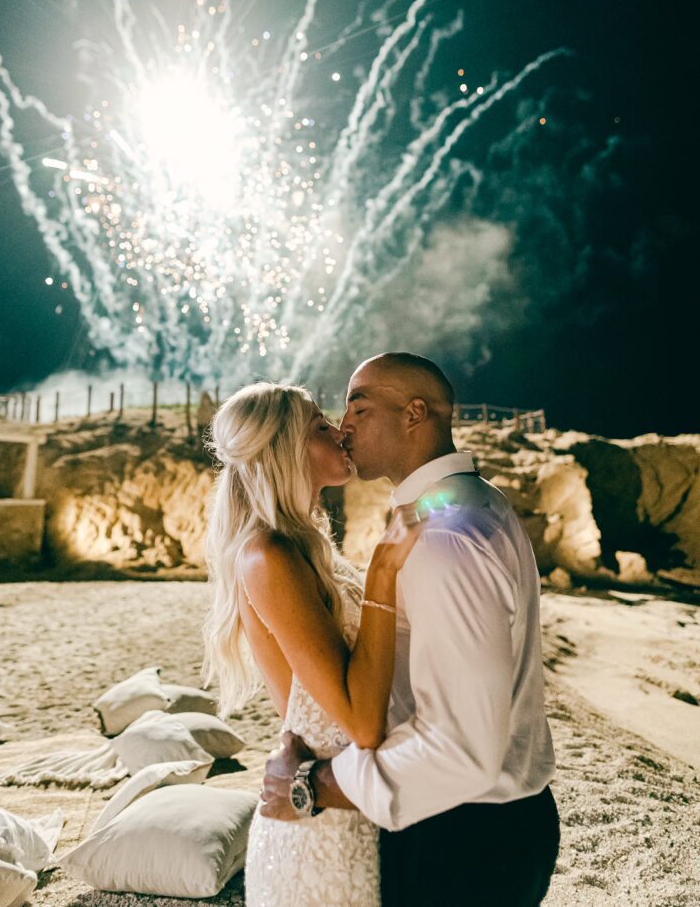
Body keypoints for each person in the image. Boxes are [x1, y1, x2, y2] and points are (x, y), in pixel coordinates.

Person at [260, 352, 560, 907]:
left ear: (414, 414)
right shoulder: (466, 503)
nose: (344, 424)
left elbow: (462, 750)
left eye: (360, 406)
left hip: (465, 838)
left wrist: (311, 787)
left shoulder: (444, 538)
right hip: (481, 826)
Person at [203, 381, 422, 907]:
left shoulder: (307, 546)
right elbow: (359, 722)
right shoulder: (268, 556)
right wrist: (384, 573)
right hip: (323, 825)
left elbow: (301, 706)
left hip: (346, 803)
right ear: (283, 449)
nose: (340, 432)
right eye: (320, 427)